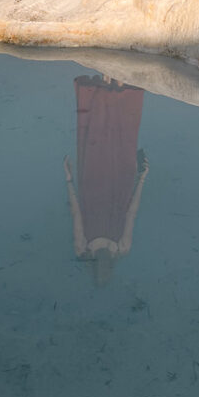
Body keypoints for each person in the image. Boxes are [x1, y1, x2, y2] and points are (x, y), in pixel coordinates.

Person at [63, 73, 149, 286]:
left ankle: (105, 78)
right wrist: (142, 179)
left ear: (94, 269)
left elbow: (75, 213)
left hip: (91, 186)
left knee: (97, 139)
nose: (102, 267)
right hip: (120, 187)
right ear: (110, 268)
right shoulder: (122, 248)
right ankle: (119, 78)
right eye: (106, 270)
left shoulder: (83, 248)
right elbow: (131, 212)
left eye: (98, 271)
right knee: (122, 140)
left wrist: (68, 181)